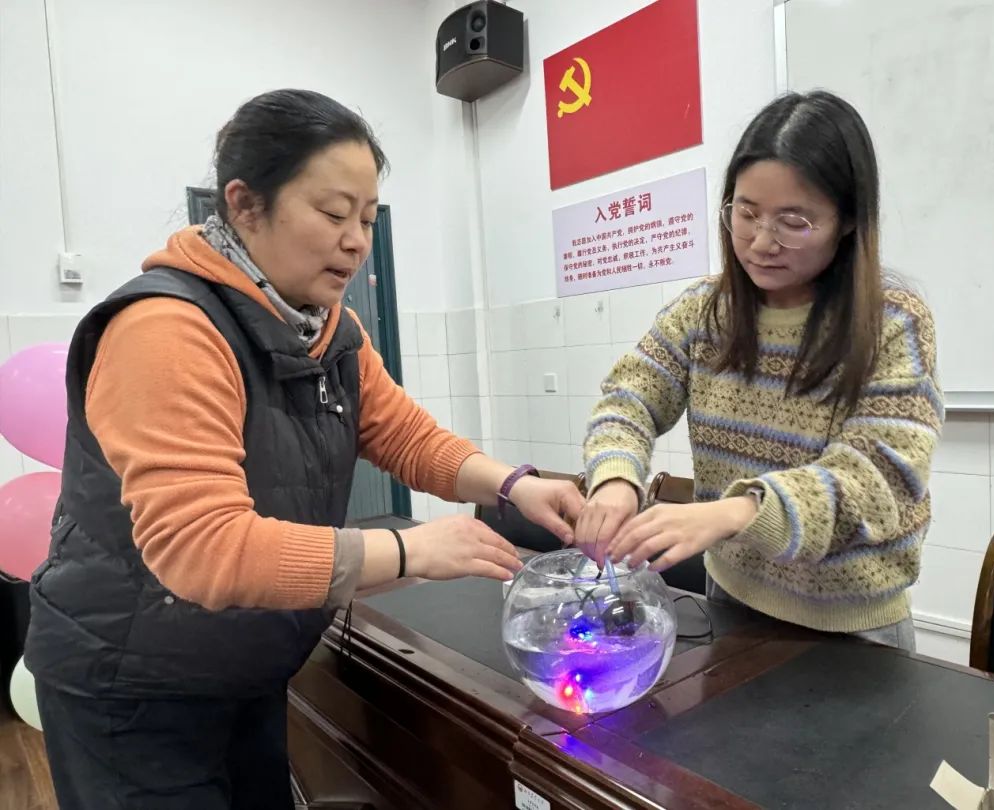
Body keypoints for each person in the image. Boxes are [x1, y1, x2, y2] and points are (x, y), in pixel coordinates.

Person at [24, 88, 584, 810]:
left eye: (368, 218)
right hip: (132, 688)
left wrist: (513, 486)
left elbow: (405, 436)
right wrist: (411, 551)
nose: (356, 240)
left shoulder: (329, 330)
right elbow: (202, 548)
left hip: (244, 664)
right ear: (245, 205)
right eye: (332, 213)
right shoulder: (165, 329)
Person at [575, 91, 942, 651]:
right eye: (745, 214)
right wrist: (615, 478)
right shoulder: (705, 311)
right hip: (731, 600)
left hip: (855, 626)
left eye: (794, 222)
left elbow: (876, 479)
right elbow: (629, 399)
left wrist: (739, 511)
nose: (762, 242)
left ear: (847, 221)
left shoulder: (892, 322)